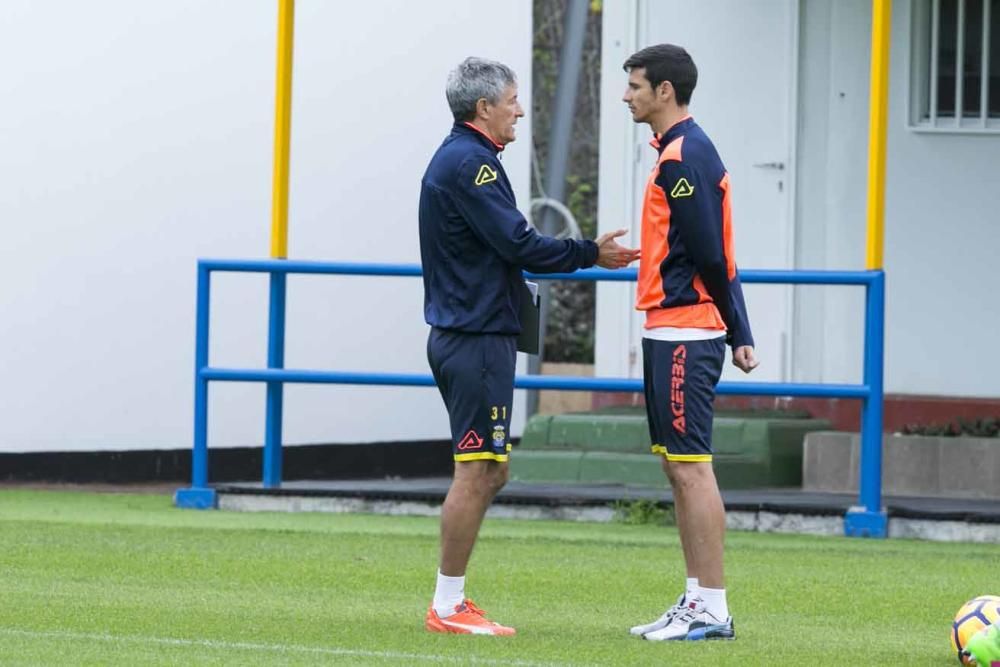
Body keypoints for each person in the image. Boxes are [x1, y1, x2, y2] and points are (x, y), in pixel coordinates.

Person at [418, 56, 639, 636]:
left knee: (492, 470)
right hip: (475, 340)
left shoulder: (467, 158)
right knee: (479, 470)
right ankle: (447, 607)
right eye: (513, 100)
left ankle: (450, 601)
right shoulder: (472, 164)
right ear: (483, 107)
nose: (521, 110)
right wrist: (593, 252)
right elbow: (520, 243)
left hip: (473, 337)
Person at [620, 44, 759, 642]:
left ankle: (714, 608)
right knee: (679, 470)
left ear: (665, 92)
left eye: (635, 85)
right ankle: (697, 597)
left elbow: (709, 251)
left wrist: (737, 330)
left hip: (687, 329)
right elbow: (709, 249)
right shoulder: (679, 150)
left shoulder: (684, 157)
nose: (628, 95)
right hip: (670, 327)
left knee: (693, 469)